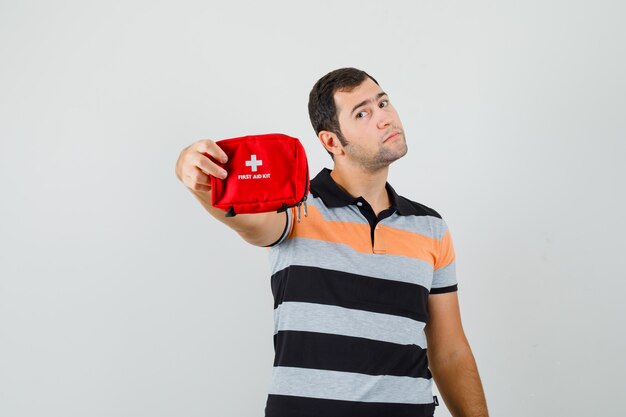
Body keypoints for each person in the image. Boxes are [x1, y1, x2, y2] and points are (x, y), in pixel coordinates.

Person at [175, 67, 489, 417]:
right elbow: (249, 223)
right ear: (332, 142)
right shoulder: (296, 207)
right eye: (362, 113)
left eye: (383, 102)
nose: (384, 118)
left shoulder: (430, 227)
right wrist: (199, 183)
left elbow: (451, 352)